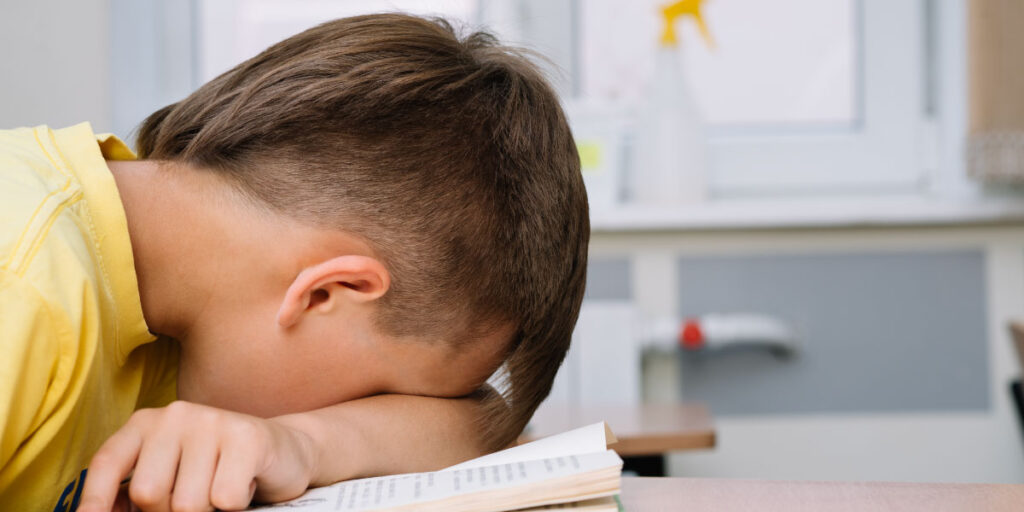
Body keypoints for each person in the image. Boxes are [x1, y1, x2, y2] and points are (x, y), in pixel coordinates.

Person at [0, 13, 589, 512]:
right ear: (325, 292)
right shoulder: (22, 282)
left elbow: (480, 425)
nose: (382, 411)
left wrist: (302, 441)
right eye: (379, 391)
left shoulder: (174, 292)